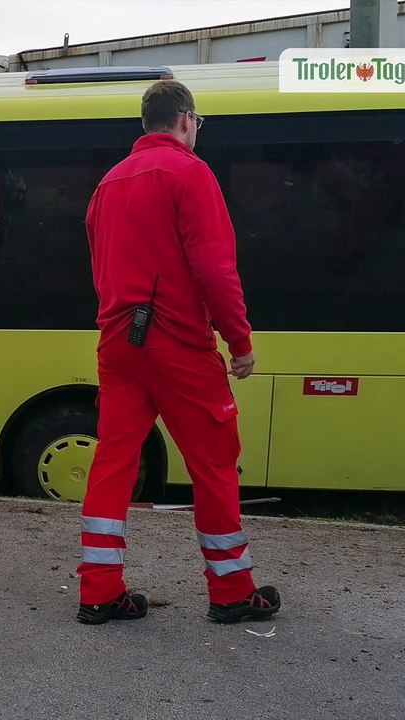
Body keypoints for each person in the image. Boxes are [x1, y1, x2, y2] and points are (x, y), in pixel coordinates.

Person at [77, 80, 280, 625]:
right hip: (177, 342)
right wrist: (238, 341)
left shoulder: (107, 185)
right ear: (187, 120)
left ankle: (98, 590)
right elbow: (216, 268)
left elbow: (100, 268)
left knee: (114, 460)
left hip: (118, 341)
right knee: (214, 463)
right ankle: (233, 592)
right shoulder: (191, 173)